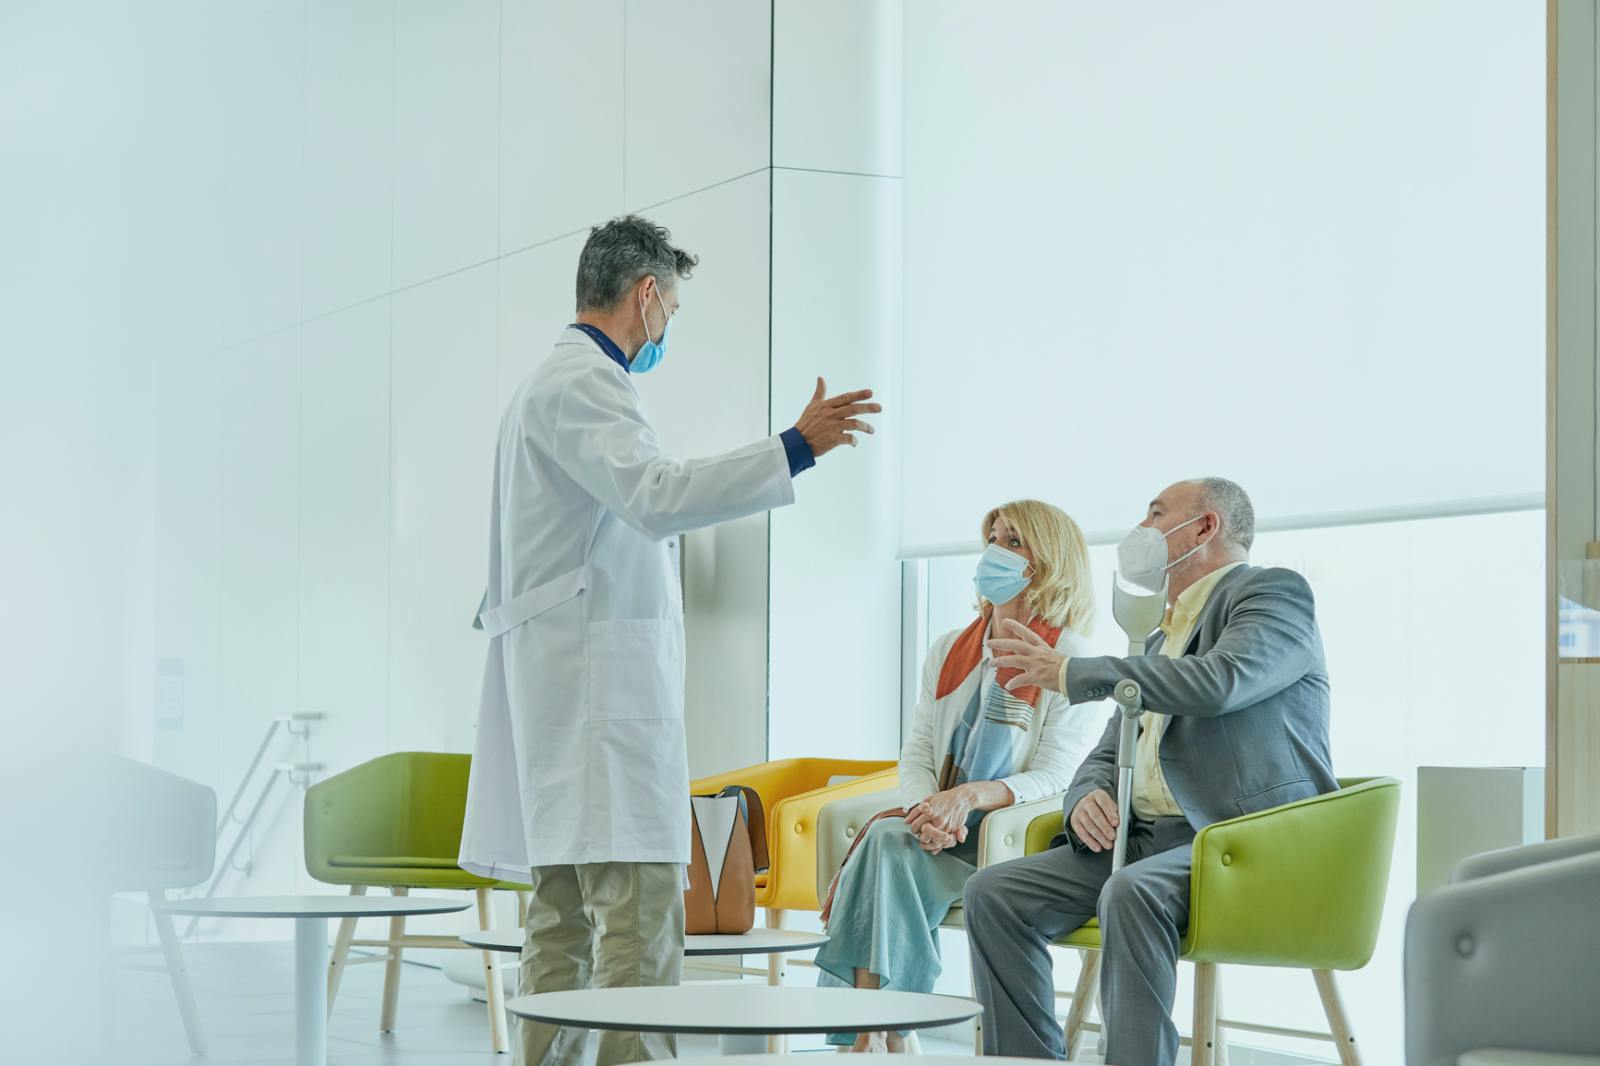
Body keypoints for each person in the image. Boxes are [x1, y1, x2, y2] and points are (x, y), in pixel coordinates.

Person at [457, 215, 881, 1066]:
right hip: (598, 702)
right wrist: (795, 447)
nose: (665, 332)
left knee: (564, 925)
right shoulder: (584, 384)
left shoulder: (544, 387)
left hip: (568, 694)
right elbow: (657, 493)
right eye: (672, 311)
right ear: (645, 295)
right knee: (639, 926)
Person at [971, 477, 1336, 1066]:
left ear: (1205, 527)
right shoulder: (1163, 634)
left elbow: (1222, 681)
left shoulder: (1272, 595)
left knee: (1131, 892)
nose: (1140, 529)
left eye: (1156, 513)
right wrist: (1085, 795)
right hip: (1145, 843)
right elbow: (1112, 747)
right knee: (994, 893)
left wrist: (1071, 672)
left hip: (1237, 841)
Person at [815, 500, 1107, 1053]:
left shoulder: (1071, 656)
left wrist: (970, 798)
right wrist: (929, 807)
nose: (994, 550)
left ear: (1046, 563)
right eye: (991, 537)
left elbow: (1058, 774)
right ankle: (883, 1030)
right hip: (941, 827)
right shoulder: (949, 648)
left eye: (1013, 541)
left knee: (882, 846)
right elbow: (919, 749)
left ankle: (875, 1033)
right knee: (888, 843)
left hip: (1010, 834)